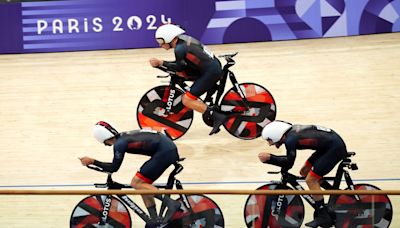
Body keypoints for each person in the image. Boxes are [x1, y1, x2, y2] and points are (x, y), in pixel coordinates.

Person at [79, 121, 181, 225]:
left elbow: (114, 168)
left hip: (165, 152)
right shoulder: (122, 138)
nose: (106, 145)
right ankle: (154, 219)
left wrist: (93, 162)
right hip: (165, 149)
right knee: (142, 185)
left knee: (136, 183)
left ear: (106, 138)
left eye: (105, 143)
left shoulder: (119, 144)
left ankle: (171, 203)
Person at [258, 120, 348, 227]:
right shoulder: (291, 133)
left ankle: (323, 216)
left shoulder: (290, 139)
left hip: (334, 148)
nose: (270, 144)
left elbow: (289, 163)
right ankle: (336, 194)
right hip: (328, 146)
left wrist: (270, 158)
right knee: (304, 172)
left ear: (276, 134)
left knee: (311, 180)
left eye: (270, 140)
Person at [149, 23, 227, 135]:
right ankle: (209, 99)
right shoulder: (183, 40)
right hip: (209, 67)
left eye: (161, 41)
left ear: (169, 38)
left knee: (187, 100)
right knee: (182, 75)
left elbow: (179, 67)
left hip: (210, 72)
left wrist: (161, 63)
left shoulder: (180, 48)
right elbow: (184, 67)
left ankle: (217, 116)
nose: (160, 45)